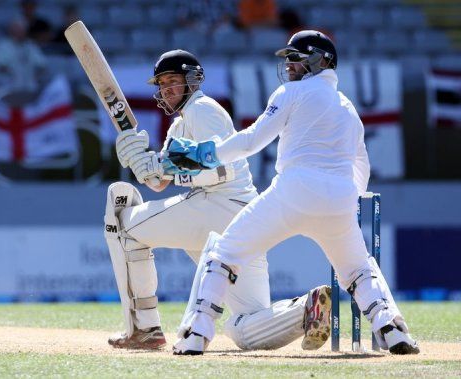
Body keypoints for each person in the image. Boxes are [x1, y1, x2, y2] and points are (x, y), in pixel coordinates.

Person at [165, 31, 420, 356]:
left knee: (224, 253)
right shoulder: (347, 107)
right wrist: (344, 209)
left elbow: (250, 142)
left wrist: (197, 155)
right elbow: (362, 167)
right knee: (358, 270)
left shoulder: (290, 92)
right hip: (340, 198)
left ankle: (195, 334)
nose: (291, 65)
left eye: (298, 58)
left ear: (323, 60)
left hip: (294, 191)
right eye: (289, 60)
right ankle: (392, 329)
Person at [104, 49, 332, 352]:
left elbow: (219, 173)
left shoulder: (203, 109)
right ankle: (307, 308)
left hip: (219, 206)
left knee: (126, 228)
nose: (166, 89)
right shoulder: (178, 126)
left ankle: (144, 327)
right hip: (246, 223)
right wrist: (141, 162)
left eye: (173, 80)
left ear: (192, 80)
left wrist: (163, 167)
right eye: (161, 83)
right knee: (245, 328)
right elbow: (159, 183)